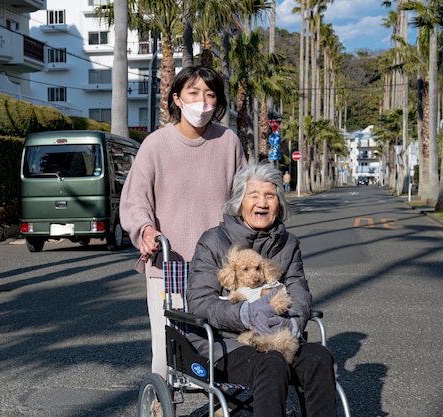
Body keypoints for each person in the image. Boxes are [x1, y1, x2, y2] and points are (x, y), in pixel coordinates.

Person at [120, 65, 247, 377]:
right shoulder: (155, 144)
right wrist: (145, 229)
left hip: (221, 265)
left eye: (210, 94)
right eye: (193, 93)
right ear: (177, 98)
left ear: (218, 103)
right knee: (167, 343)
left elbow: (244, 198)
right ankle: (159, 401)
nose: (202, 102)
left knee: (224, 338)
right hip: (168, 262)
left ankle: (221, 400)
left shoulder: (229, 142)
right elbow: (135, 199)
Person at [186, 163, 337, 417]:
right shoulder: (213, 241)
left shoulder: (288, 244)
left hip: (280, 338)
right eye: (253, 195)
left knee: (319, 357)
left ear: (279, 202)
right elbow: (200, 302)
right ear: (239, 202)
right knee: (272, 363)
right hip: (228, 344)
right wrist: (244, 313)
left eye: (270, 195)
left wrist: (294, 324)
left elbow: (299, 290)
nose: (262, 203)